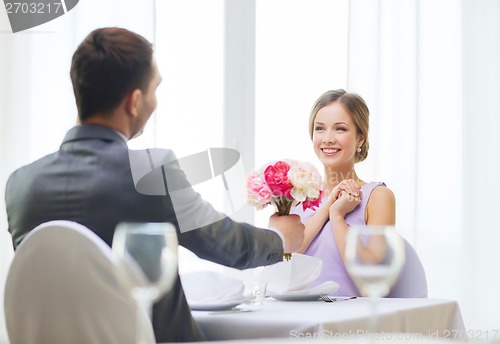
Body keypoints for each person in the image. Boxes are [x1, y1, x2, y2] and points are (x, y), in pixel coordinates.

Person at [5, 27, 305, 342]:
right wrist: (280, 240)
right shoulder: (153, 171)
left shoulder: (20, 184)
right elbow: (226, 245)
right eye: (154, 89)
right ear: (134, 101)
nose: (155, 101)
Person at [291, 89, 427, 297]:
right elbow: (284, 262)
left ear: (360, 139)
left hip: (351, 320)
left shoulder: (378, 196)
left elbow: (372, 279)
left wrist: (338, 217)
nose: (327, 138)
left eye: (340, 129)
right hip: (293, 314)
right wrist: (328, 207)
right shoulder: (297, 196)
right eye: (320, 129)